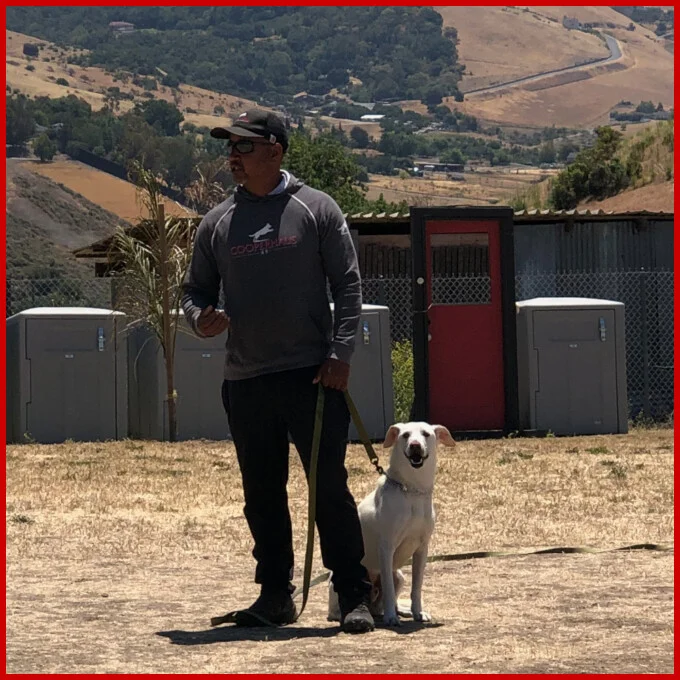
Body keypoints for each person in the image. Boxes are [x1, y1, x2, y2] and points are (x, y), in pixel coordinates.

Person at [181, 109, 374, 634]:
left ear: (275, 150)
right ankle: (274, 596)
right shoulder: (217, 222)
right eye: (230, 149)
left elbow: (349, 286)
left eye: (243, 147)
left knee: (327, 488)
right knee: (261, 493)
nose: (233, 158)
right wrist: (202, 319)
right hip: (245, 381)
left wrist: (340, 355)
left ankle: (353, 594)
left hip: (313, 376)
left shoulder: (316, 209)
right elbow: (193, 292)